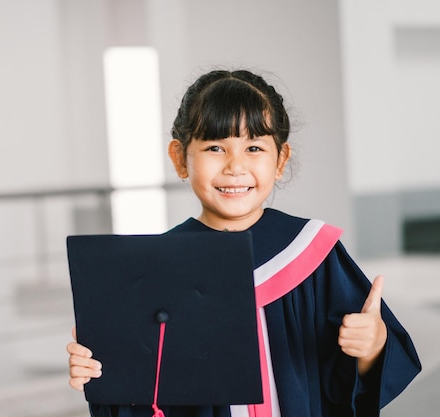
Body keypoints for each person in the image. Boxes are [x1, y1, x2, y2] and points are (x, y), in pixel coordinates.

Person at [66, 69, 421, 417]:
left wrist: (373, 346)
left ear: (280, 160)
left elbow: (349, 384)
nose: (235, 167)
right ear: (180, 158)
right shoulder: (157, 269)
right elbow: (142, 392)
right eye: (215, 147)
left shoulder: (311, 252)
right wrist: (100, 372)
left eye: (253, 147)